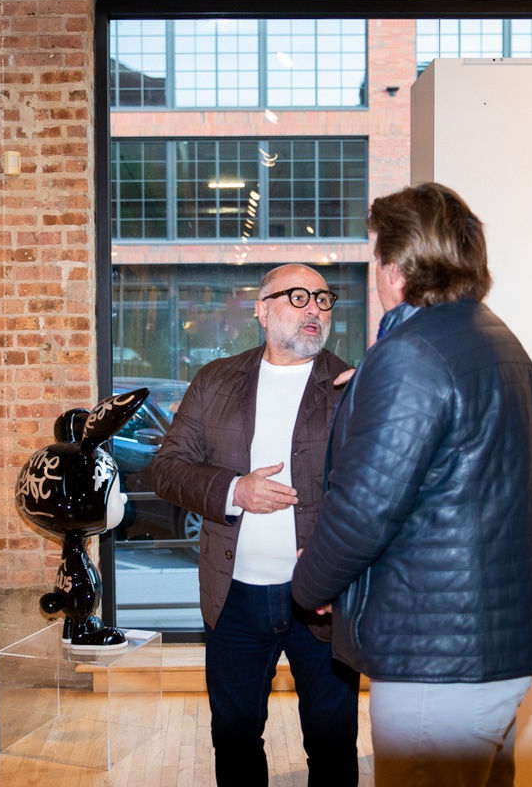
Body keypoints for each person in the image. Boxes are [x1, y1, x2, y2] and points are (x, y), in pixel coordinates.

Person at [291, 183, 532, 787]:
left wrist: (310, 584)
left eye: (377, 257)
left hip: (438, 653)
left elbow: (365, 509)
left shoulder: (411, 355)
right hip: (493, 642)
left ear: (396, 268)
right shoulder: (493, 338)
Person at [147, 264, 359, 787]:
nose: (314, 309)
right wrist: (234, 490)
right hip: (234, 598)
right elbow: (167, 469)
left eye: (323, 299)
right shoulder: (215, 380)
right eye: (298, 297)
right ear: (262, 310)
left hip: (322, 600)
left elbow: (374, 490)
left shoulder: (350, 386)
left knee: (333, 743)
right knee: (236, 738)